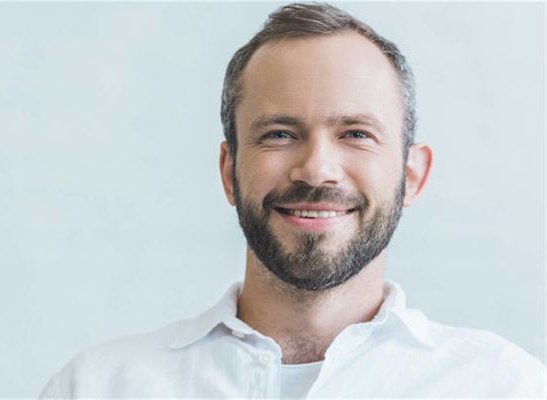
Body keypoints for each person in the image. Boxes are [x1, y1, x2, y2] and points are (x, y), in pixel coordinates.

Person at [40, 2, 546, 398]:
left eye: (356, 134)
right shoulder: (96, 388)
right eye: (280, 134)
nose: (317, 169)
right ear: (229, 171)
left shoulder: (506, 387)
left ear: (412, 175)